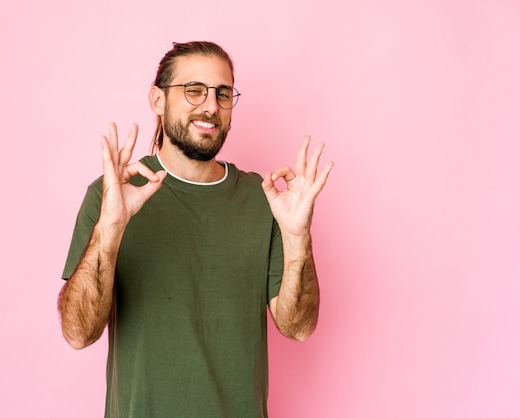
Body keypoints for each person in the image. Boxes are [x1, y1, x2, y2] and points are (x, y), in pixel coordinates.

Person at [58, 41, 334, 418]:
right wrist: (109, 230)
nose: (210, 106)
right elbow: (79, 333)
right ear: (158, 100)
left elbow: (298, 327)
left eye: (223, 94)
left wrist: (298, 237)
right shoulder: (112, 195)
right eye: (193, 91)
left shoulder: (263, 199)